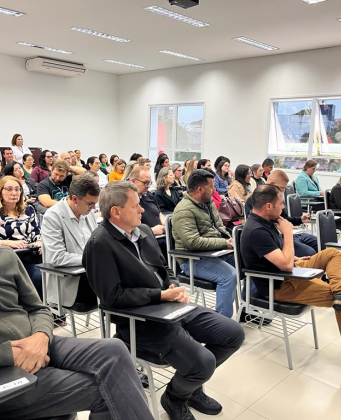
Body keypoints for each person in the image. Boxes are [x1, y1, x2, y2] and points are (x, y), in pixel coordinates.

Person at [0, 189, 154, 419]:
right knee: (108, 388)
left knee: (114, 349)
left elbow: (39, 309)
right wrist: (7, 353)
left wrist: (41, 337)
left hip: (38, 343)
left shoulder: (4, 256)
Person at [83, 181, 245, 420]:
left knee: (233, 334)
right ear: (116, 212)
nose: (142, 210)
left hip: (169, 304)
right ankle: (176, 397)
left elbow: (164, 268)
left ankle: (188, 387)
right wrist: (159, 295)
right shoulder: (99, 245)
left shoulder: (144, 232)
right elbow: (112, 298)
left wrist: (174, 288)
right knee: (203, 362)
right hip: (140, 320)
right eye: (136, 206)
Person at [241, 184, 341, 379]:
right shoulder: (256, 230)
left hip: (289, 272)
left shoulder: (266, 221)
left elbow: (274, 256)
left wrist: (295, 260)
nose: (284, 208)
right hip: (279, 285)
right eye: (280, 204)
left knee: (331, 254)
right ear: (268, 206)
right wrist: (287, 233)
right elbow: (284, 266)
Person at [172, 169, 238, 318]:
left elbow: (219, 227)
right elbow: (193, 242)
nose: (214, 189)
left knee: (251, 260)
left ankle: (248, 309)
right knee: (229, 276)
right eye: (211, 186)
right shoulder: (184, 210)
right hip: (193, 260)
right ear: (200, 189)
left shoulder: (207, 204)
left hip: (215, 253)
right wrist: (224, 243)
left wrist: (231, 240)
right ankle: (223, 323)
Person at [41, 174, 100, 307]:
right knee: (118, 292)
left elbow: (97, 244)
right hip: (72, 281)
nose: (93, 208)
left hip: (92, 274)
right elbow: (58, 258)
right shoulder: (52, 216)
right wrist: (93, 258)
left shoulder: (87, 211)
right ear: (74, 199)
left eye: (95, 203)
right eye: (90, 204)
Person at [246, 169, 318, 257]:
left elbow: (285, 218)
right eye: (282, 187)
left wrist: (300, 219)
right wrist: (285, 229)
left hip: (288, 233)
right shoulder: (255, 200)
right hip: (278, 237)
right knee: (309, 253)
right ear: (272, 184)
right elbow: (258, 224)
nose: (284, 191)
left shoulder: (277, 197)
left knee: (318, 243)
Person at [0, 176, 43, 297]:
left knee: (50, 276)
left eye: (17, 189)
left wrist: (40, 242)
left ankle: (53, 312)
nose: (14, 193)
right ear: (0, 191)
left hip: (30, 255)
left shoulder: (29, 209)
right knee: (37, 278)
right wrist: (7, 242)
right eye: (9, 189)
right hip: (7, 258)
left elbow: (36, 232)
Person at [127, 167, 167, 258]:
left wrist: (165, 223)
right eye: (145, 183)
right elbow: (127, 230)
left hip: (162, 234)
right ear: (133, 181)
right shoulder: (126, 200)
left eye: (150, 183)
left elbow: (159, 212)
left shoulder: (148, 194)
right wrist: (151, 231)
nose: (148, 185)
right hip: (147, 239)